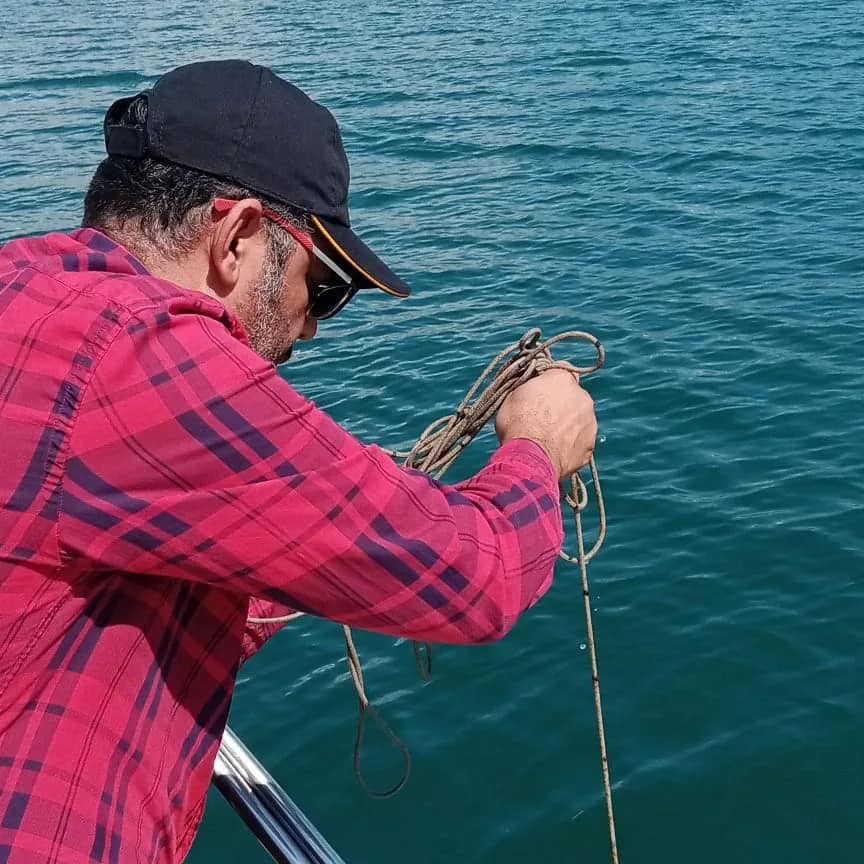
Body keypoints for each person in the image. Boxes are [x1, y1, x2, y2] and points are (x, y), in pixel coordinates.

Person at [0, 60, 597, 864]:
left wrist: (308, 553)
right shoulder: (139, 356)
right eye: (324, 288)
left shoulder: (26, 292)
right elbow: (473, 576)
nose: (311, 329)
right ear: (237, 235)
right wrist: (535, 448)